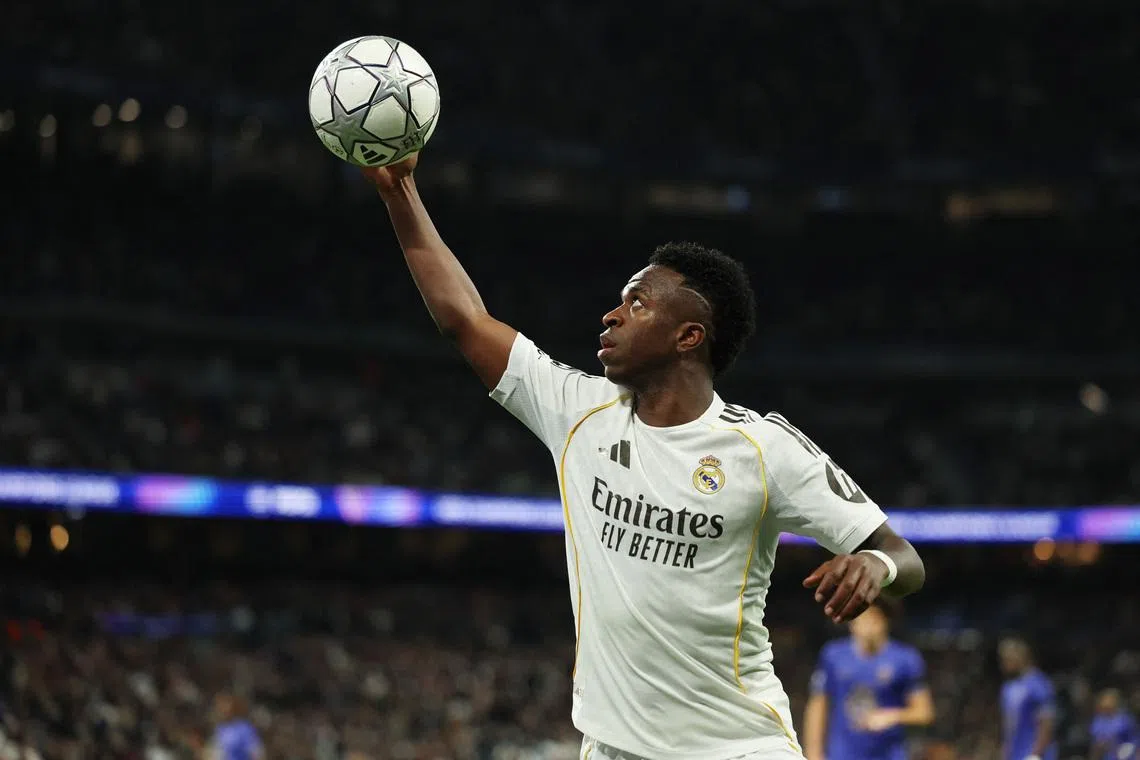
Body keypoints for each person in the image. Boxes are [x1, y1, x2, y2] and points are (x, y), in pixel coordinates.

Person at [362, 155, 925, 760]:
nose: (612, 315)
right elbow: (465, 319)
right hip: (614, 749)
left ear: (689, 336)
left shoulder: (765, 449)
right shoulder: (577, 411)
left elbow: (904, 556)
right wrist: (401, 193)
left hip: (738, 746)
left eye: (637, 304)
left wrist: (876, 567)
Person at [803, 599, 934, 760]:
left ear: (885, 621)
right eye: (861, 617)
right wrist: (813, 753)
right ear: (851, 622)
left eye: (874, 618)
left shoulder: (906, 659)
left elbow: (924, 712)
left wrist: (891, 716)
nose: (868, 624)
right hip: (842, 755)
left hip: (889, 755)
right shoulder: (833, 655)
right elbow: (818, 705)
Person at [999, 638, 1057, 760]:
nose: (1004, 663)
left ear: (1021, 657)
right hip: (1015, 754)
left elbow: (1047, 721)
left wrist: (1036, 754)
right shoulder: (1008, 688)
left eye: (1008, 659)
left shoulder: (1039, 684)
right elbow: (1009, 725)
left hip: (1034, 754)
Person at [206, 693, 263, 760]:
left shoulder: (244, 728)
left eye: (226, 705)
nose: (223, 709)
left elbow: (256, 752)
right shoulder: (219, 729)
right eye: (220, 707)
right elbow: (214, 753)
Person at [1090, 688, 1138, 760]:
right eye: (1104, 700)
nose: (1106, 703)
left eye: (1109, 700)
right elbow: (1096, 743)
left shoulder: (1125, 719)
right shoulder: (1098, 720)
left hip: (1125, 755)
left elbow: (1134, 739)